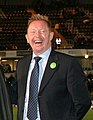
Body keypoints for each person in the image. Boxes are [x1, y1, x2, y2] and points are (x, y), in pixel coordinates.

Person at [16, 14, 91, 120]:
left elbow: (83, 102)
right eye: (33, 32)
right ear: (27, 38)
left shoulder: (68, 64)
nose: (37, 35)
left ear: (51, 36)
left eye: (42, 31)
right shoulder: (21, 65)